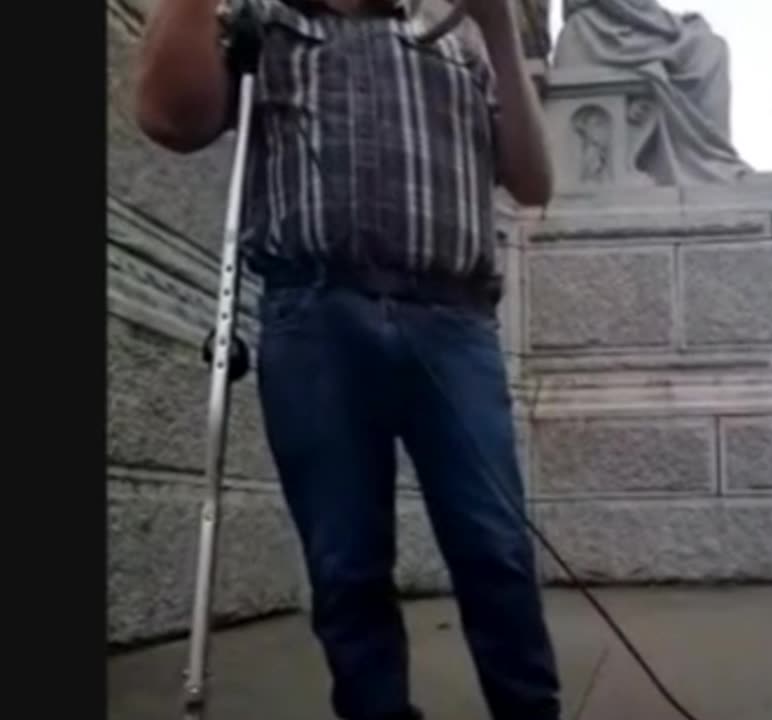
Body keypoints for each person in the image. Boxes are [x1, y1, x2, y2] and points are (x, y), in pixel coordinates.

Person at [134, 1, 561, 719]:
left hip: (452, 321)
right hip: (315, 317)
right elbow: (171, 119)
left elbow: (533, 181)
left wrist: (497, 31)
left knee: (496, 551)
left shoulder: (458, 38)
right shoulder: (262, 26)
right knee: (346, 566)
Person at [555, 0, 751, 184]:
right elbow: (626, 5)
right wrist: (674, 26)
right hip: (601, 35)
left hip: (620, 29)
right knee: (708, 50)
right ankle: (713, 162)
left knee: (708, 45)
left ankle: (712, 157)